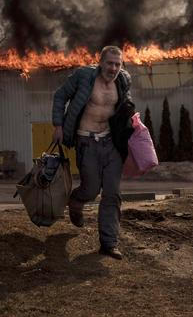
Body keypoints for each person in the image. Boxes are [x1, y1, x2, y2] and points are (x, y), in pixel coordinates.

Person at [51, 45, 135, 259]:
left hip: (110, 143)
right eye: (109, 63)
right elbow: (60, 96)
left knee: (112, 193)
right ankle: (76, 201)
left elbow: (125, 105)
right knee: (90, 189)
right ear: (100, 62)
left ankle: (108, 243)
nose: (113, 68)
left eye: (118, 64)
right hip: (86, 141)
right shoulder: (83, 76)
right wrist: (58, 125)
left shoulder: (123, 80)